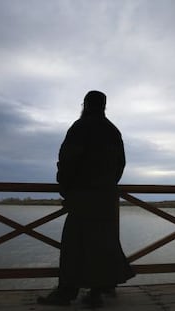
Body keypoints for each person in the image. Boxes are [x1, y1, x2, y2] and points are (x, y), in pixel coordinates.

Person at [38, 90, 135, 308]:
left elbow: (67, 160)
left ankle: (65, 293)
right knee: (103, 245)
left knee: (74, 246)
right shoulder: (113, 131)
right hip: (107, 198)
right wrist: (108, 184)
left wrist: (66, 188)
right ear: (104, 106)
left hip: (84, 197)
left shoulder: (80, 127)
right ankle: (97, 293)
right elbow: (120, 165)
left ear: (85, 104)